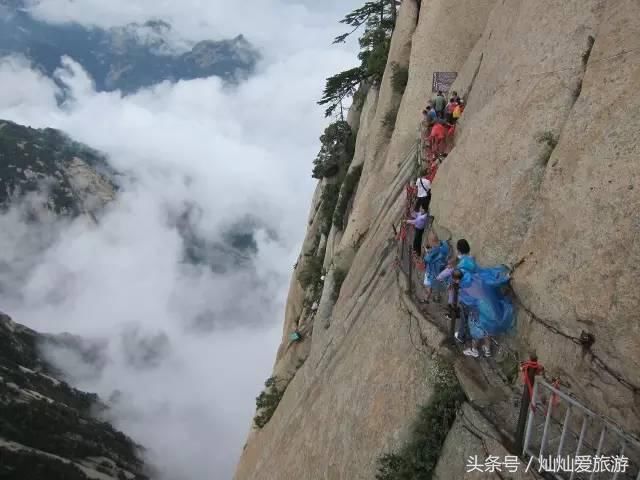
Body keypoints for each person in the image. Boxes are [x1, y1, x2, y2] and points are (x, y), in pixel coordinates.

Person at [422, 232, 449, 303]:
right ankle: (437, 297)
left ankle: (426, 299)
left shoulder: (433, 252)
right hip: (442, 270)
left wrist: (427, 252)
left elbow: (426, 259)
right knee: (438, 285)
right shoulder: (444, 244)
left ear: (432, 241)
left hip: (432, 271)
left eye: (429, 241)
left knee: (429, 286)